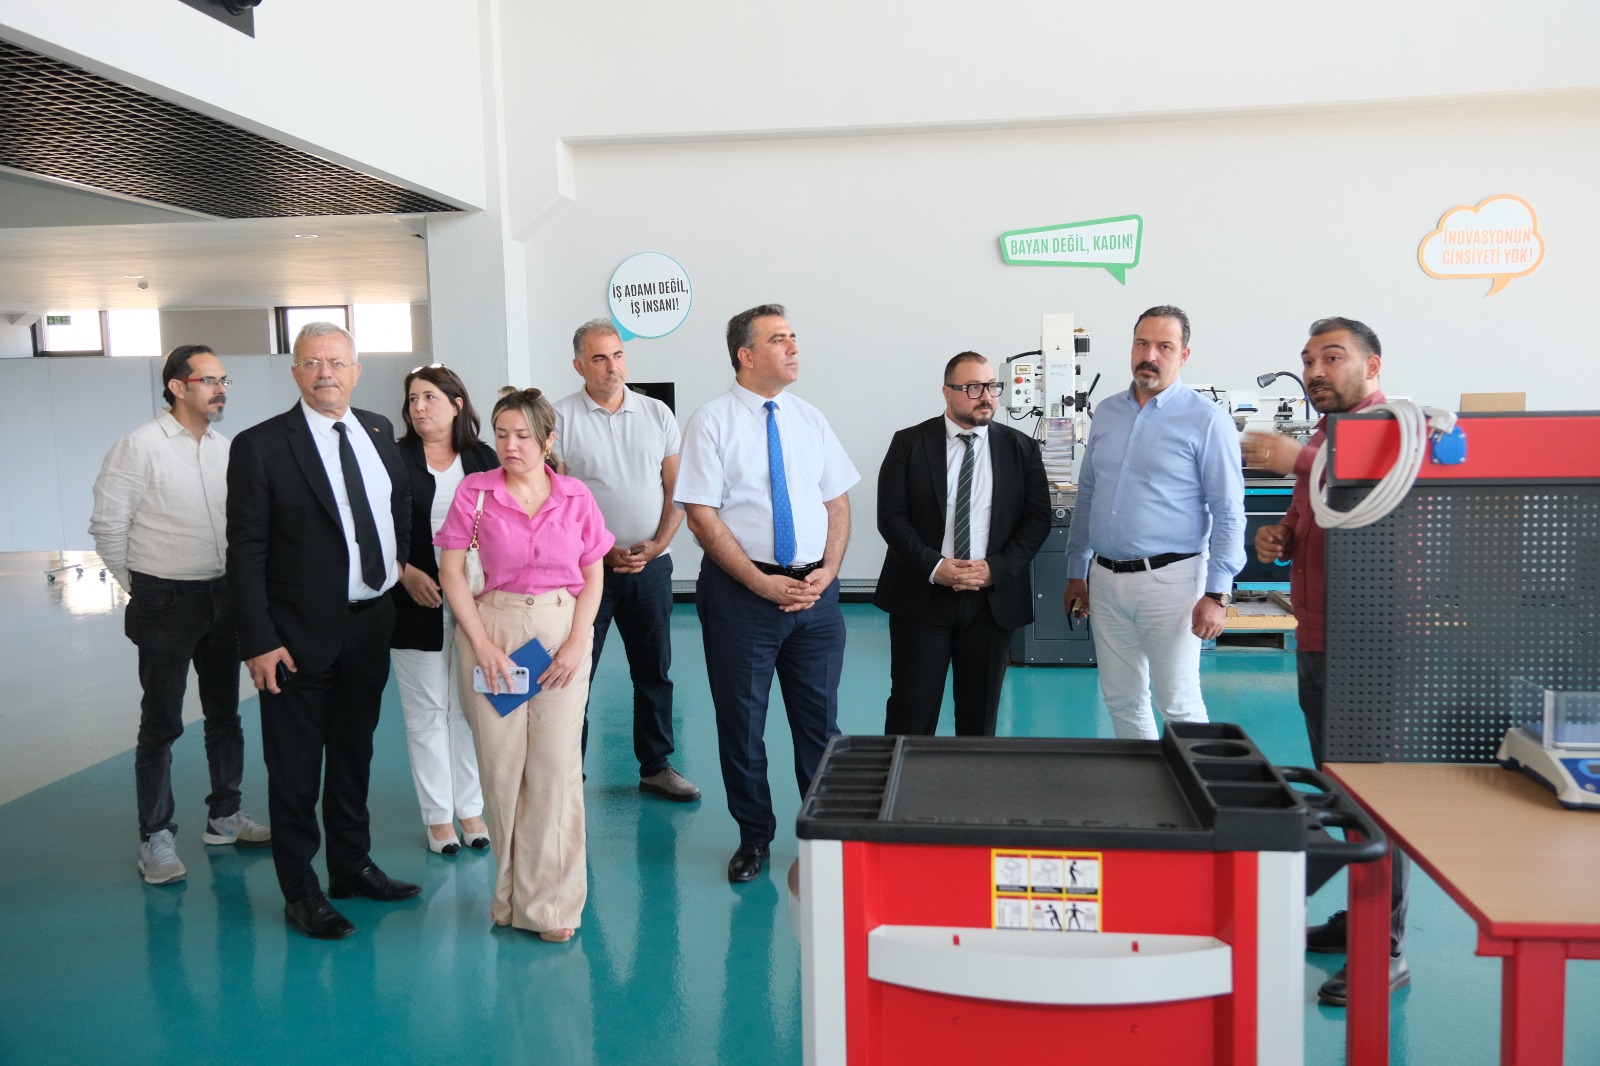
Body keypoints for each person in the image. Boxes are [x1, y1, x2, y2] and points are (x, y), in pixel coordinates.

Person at [226, 321, 417, 941]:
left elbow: (397, 505)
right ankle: (300, 891)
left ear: (356, 371)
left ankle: (352, 866)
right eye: (312, 363)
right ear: (296, 373)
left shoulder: (378, 431)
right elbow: (245, 551)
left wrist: (394, 565)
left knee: (354, 755)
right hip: (293, 638)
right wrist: (257, 641)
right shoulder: (261, 446)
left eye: (336, 362)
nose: (325, 372)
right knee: (296, 769)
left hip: (370, 624)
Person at [1248, 315, 1410, 1006]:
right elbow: (1311, 514)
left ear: (1372, 366)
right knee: (1342, 790)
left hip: (1370, 647)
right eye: (1308, 359)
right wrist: (1280, 537)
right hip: (1316, 637)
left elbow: (1375, 490)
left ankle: (1385, 947)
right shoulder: (1324, 436)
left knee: (1378, 801)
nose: (1315, 371)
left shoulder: (1394, 433)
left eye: (1332, 357)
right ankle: (1360, 918)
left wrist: (1296, 459)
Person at [675, 304, 860, 883]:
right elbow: (701, 516)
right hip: (742, 596)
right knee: (743, 724)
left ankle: (823, 838)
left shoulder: (809, 418)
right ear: (746, 354)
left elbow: (837, 501)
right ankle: (754, 835)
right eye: (780, 339)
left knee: (820, 726)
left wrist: (830, 570)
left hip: (815, 595)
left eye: (794, 337)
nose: (794, 347)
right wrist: (759, 582)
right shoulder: (711, 422)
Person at [436, 387, 612, 942]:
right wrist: (483, 645)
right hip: (495, 632)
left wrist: (578, 641)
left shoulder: (576, 496)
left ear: (548, 440)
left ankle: (552, 907)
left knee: (555, 771)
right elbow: (451, 574)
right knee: (502, 768)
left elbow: (594, 574)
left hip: (560, 633)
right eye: (502, 434)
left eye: (523, 436)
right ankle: (510, 896)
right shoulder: (475, 493)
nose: (510, 446)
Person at [90, 344, 269, 886]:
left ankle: (224, 815)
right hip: (164, 598)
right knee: (162, 722)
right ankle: (156, 837)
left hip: (222, 596)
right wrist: (142, 587)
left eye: (224, 380)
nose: (221, 390)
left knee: (225, 715)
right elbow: (108, 529)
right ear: (177, 386)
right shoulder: (138, 448)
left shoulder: (226, 449)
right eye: (210, 380)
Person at [1062, 305, 1245, 739]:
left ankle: (1197, 783)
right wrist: (1075, 572)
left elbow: (1228, 511)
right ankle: (1140, 780)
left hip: (1172, 582)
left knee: (1178, 702)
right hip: (1105, 579)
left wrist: (1217, 594)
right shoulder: (1107, 412)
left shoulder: (1207, 420)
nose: (1150, 355)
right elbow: (1087, 495)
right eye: (1142, 343)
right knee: (1121, 699)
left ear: (1184, 355)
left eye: (1165, 346)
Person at [553, 320, 698, 801]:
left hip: (651, 566)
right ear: (579, 365)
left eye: (617, 355)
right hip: (586, 570)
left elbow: (677, 489)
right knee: (576, 674)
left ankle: (656, 767)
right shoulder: (559, 418)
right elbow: (555, 503)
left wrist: (658, 543)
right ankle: (568, 774)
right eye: (599, 358)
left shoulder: (657, 413)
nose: (611, 366)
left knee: (654, 673)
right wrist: (596, 549)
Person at [874, 351, 1050, 736]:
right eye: (973, 388)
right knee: (911, 710)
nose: (986, 396)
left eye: (992, 387)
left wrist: (995, 570)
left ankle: (972, 778)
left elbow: (1037, 521)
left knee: (979, 717)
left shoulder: (1020, 449)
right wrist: (936, 567)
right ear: (947, 392)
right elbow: (892, 517)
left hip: (990, 601)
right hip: (922, 596)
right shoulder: (909, 444)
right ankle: (903, 775)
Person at [390, 365, 498, 855]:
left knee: (468, 710)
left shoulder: (483, 458)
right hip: (416, 601)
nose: (419, 408)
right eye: (413, 399)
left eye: (429, 397)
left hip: (478, 602)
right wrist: (404, 573)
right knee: (427, 712)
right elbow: (373, 529)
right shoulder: (394, 459)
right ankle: (438, 818)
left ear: (457, 404)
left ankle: (471, 809)